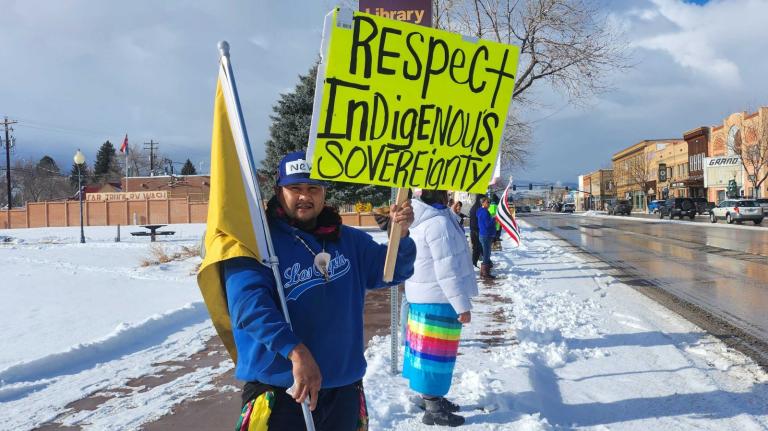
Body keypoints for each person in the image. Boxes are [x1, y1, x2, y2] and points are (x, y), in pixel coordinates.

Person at [223, 151, 416, 430]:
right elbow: (248, 307)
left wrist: (402, 235)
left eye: (313, 188)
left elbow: (393, 272)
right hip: (281, 393)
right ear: (279, 191)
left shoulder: (349, 240)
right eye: (295, 188)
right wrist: (295, 351)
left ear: (324, 192)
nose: (305, 196)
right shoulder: (255, 243)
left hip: (342, 391)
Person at [403, 190, 478, 427]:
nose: (447, 195)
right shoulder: (437, 223)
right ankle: (433, 407)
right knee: (434, 356)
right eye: (443, 191)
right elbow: (447, 270)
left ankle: (433, 398)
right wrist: (461, 305)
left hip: (427, 296)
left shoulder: (430, 217)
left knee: (427, 353)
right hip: (438, 298)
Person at [477, 197, 496, 279]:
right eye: (487, 202)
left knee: (486, 253)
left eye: (489, 202)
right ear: (483, 203)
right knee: (486, 254)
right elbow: (487, 224)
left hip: (484, 235)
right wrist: (494, 218)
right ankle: (485, 273)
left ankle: (483, 272)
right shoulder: (484, 212)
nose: (489, 204)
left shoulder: (481, 211)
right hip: (486, 235)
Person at [468, 194, 484, 267]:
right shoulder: (478, 208)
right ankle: (474, 264)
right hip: (476, 231)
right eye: (483, 200)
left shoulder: (475, 207)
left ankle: (476, 263)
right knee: (478, 248)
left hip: (474, 230)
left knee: (477, 248)